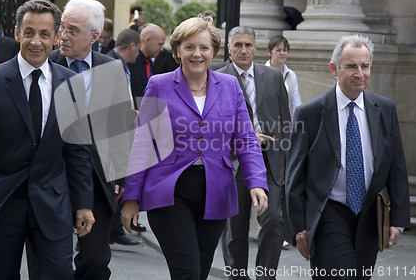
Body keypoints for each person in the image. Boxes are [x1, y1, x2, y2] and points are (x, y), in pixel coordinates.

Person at [0, 0, 95, 280]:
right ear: (17, 33)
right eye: (29, 32)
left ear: (57, 37)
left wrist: (84, 203)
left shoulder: (69, 84)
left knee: (60, 275)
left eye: (45, 34)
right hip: (1, 202)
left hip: (52, 203)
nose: (36, 41)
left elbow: (77, 151)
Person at [121, 16, 269, 279]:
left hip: (216, 192)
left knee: (199, 272)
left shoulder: (230, 86)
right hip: (169, 191)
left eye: (204, 47)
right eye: (189, 47)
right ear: (177, 51)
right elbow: (144, 143)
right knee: (187, 272)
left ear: (213, 51)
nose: (197, 54)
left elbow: (245, 138)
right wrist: (131, 197)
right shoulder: (159, 84)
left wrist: (257, 181)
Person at [286, 34, 410, 279]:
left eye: (365, 66)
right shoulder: (310, 113)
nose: (359, 73)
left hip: (369, 214)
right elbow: (295, 174)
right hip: (329, 212)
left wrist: (397, 219)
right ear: (334, 69)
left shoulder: (385, 109)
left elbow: (397, 168)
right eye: (351, 66)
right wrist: (299, 226)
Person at [50, 0, 134, 279]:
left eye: (73, 30)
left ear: (95, 36)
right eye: (62, 27)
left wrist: (120, 177)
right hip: (53, 178)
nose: (63, 35)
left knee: (96, 261)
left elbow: (121, 127)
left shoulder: (112, 68)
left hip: (99, 180)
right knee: (52, 261)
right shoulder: (46, 64)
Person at [218, 26, 291, 280]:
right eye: (237, 45)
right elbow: (212, 127)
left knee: (274, 220)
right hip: (234, 162)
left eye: (248, 45)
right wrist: (245, 138)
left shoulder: (272, 76)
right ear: (229, 49)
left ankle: (265, 275)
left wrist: (286, 163)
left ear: (256, 48)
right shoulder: (217, 77)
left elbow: (286, 121)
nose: (243, 50)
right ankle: (237, 275)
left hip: (270, 162)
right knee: (234, 230)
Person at [105, 28, 147, 245]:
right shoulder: (110, 64)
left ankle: (113, 230)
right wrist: (130, 114)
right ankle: (109, 231)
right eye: (138, 48)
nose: (139, 53)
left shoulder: (120, 65)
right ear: (132, 46)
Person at [128, 23, 166, 104]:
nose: (162, 49)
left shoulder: (150, 63)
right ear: (147, 40)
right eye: (160, 44)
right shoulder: (131, 61)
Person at [265, 36, 301, 117]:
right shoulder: (261, 73)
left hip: (284, 124)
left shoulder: (291, 74)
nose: (282, 53)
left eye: (285, 50)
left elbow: (296, 104)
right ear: (269, 52)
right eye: (278, 50)